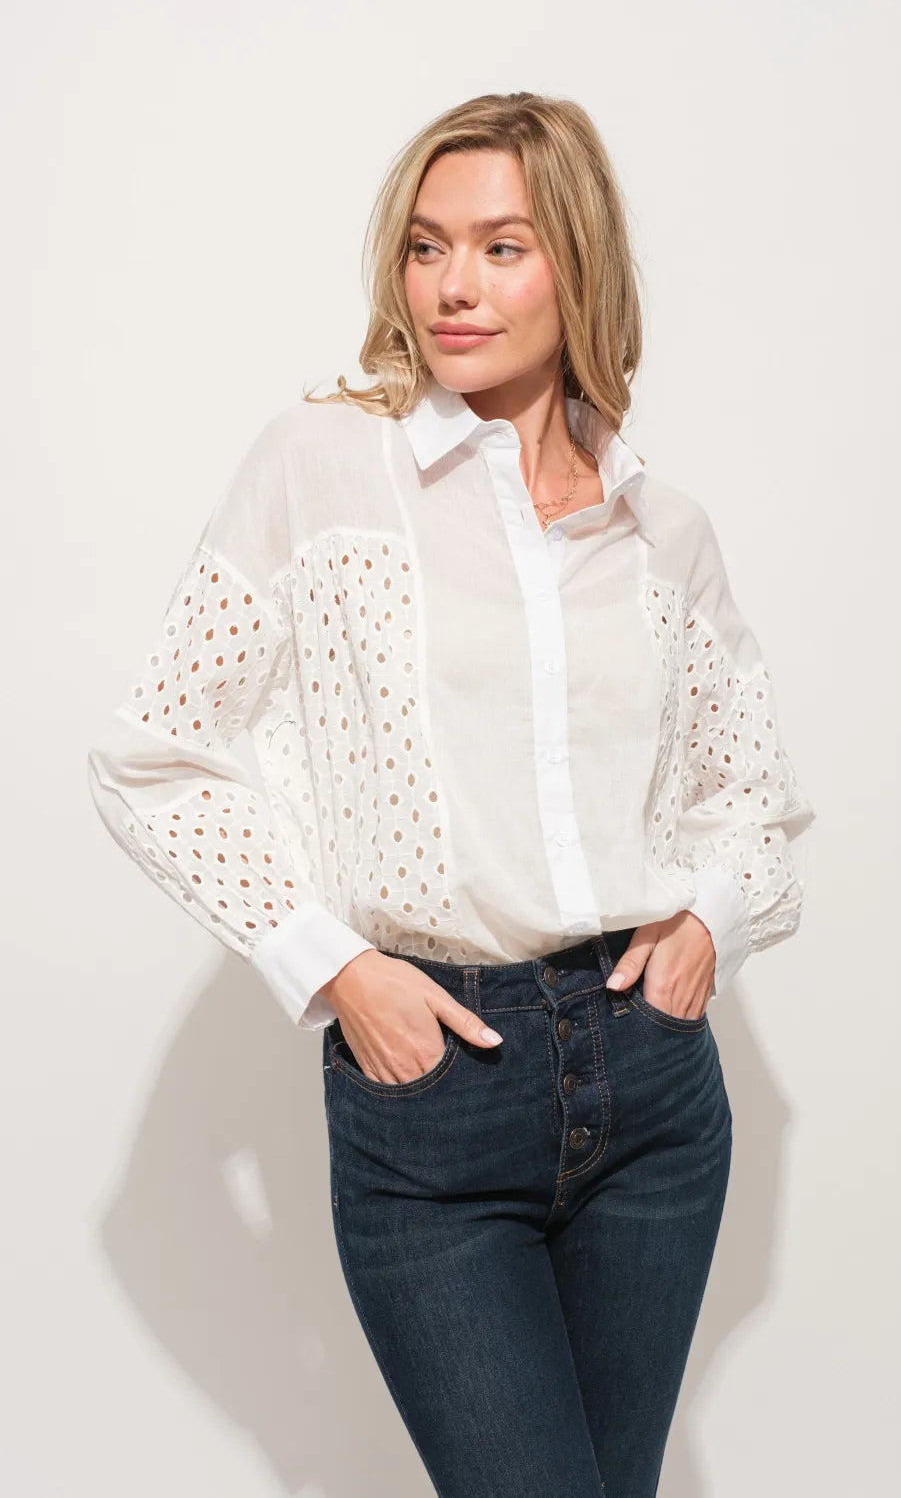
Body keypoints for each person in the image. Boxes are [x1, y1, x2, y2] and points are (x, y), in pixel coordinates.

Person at [87, 91, 816, 1498]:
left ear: (577, 264)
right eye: (427, 247)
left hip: (653, 1090)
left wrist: (709, 923)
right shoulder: (322, 468)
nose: (452, 286)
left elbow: (755, 792)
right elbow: (154, 754)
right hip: (435, 1099)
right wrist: (338, 969)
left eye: (500, 246)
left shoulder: (662, 528)